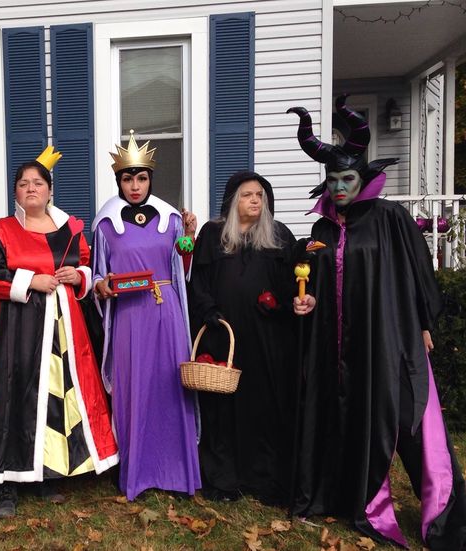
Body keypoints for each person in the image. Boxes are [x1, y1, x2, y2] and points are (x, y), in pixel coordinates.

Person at [288, 95, 466, 550]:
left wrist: (424, 323)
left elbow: (418, 271)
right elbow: (318, 286)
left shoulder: (390, 218)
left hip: (392, 339)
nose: (340, 187)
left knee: (414, 419)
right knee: (351, 418)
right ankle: (361, 499)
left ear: (364, 178)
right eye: (333, 180)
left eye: (347, 178)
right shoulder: (322, 231)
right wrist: (307, 305)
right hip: (344, 349)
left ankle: (443, 511)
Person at [0, 148, 119, 518]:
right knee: (11, 396)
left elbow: (88, 269)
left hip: (61, 329)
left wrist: (75, 277)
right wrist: (32, 280)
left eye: (38, 183)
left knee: (55, 396)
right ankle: (7, 484)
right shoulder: (0, 230)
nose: (31, 188)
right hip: (13, 330)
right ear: (15, 192)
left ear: (49, 190)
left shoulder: (70, 230)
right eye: (23, 183)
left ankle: (49, 472)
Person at [91, 131, 200, 500]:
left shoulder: (171, 218)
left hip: (165, 310)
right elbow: (97, 273)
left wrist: (189, 237)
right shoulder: (106, 223)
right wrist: (101, 285)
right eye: (127, 178)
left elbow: (183, 263)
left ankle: (176, 470)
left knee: (170, 386)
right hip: (129, 318)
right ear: (118, 180)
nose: (134, 186)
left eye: (140, 178)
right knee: (133, 387)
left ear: (150, 178)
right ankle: (137, 470)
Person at [188, 171, 298, 505]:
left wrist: (280, 303)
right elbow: (199, 282)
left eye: (260, 196)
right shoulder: (213, 234)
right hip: (223, 337)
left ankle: (264, 478)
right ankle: (223, 479)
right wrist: (209, 311)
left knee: (264, 405)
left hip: (265, 337)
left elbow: (295, 282)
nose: (255, 200)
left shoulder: (278, 236)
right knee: (222, 410)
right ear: (234, 199)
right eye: (248, 195)